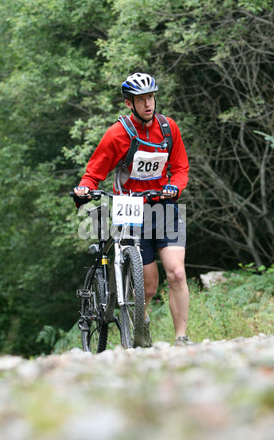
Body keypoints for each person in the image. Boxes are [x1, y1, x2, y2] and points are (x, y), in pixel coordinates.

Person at [74, 72, 191, 347]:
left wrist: (175, 186)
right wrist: (83, 189)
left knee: (176, 273)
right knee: (148, 286)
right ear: (130, 103)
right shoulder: (117, 134)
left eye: (151, 97)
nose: (148, 104)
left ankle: (182, 337)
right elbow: (94, 173)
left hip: (164, 206)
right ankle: (141, 320)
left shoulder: (168, 128)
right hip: (130, 208)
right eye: (141, 99)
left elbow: (181, 167)